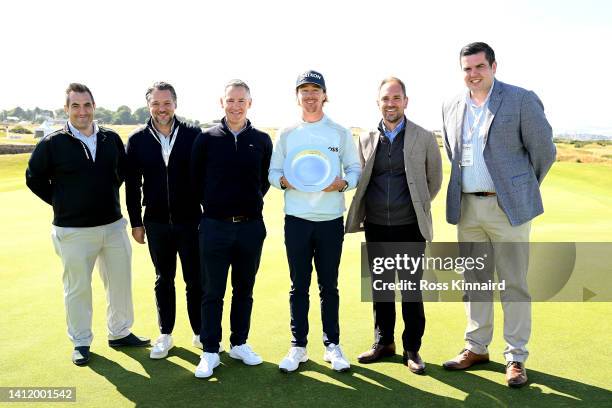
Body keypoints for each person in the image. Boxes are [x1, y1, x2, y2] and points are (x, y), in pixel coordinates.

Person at [441, 42, 556, 387]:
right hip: (467, 209)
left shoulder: (520, 99)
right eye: (467, 68)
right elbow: (452, 151)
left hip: (508, 209)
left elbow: (544, 151)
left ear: (493, 66)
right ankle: (476, 347)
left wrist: (518, 189)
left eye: (479, 67)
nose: (472, 74)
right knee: (475, 282)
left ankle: (516, 357)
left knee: (514, 284)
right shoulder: (450, 105)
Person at [25, 83, 150, 366]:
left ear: (94, 106)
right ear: (66, 109)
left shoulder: (111, 139)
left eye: (87, 105)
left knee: (119, 284)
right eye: (75, 106)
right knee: (78, 288)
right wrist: (62, 202)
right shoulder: (52, 143)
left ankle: (119, 333)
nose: (82, 111)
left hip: (113, 226)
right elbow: (33, 178)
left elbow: (121, 175)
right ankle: (81, 341)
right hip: (72, 231)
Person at [345, 77, 442, 374]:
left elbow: (433, 180)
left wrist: (416, 205)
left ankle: (412, 348)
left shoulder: (423, 137)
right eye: (385, 99)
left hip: (410, 226)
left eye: (396, 98)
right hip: (375, 225)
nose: (391, 103)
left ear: (405, 101)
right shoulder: (365, 138)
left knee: (411, 290)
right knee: (382, 289)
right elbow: (362, 178)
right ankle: (383, 342)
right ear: (378, 103)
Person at [269, 70, 361, 373]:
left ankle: (332, 345)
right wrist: (282, 181)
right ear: (297, 96)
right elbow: (272, 172)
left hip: (330, 219)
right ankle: (298, 346)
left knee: (328, 286)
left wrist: (343, 183)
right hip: (296, 219)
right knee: (299, 286)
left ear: (325, 95)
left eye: (315, 90)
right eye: (304, 90)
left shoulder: (339, 132)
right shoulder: (287, 133)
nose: (310, 95)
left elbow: (354, 169)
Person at [191, 79, 272, 378]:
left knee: (244, 289)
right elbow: (195, 180)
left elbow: (262, 182)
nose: (235, 105)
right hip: (214, 226)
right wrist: (216, 206)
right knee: (212, 291)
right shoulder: (206, 138)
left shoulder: (262, 140)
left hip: (250, 227)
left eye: (241, 100)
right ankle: (211, 351)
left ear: (249, 103)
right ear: (221, 102)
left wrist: (247, 204)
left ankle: (239, 342)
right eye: (230, 100)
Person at [125, 82, 203, 359]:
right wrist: (136, 221)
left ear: (175, 104)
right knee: (163, 279)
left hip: (191, 220)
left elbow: (204, 178)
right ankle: (166, 334)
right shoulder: (137, 140)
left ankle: (199, 332)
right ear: (149, 106)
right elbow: (133, 185)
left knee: (195, 279)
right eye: (156, 104)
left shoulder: (194, 135)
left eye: (166, 103)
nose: (161, 109)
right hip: (156, 221)